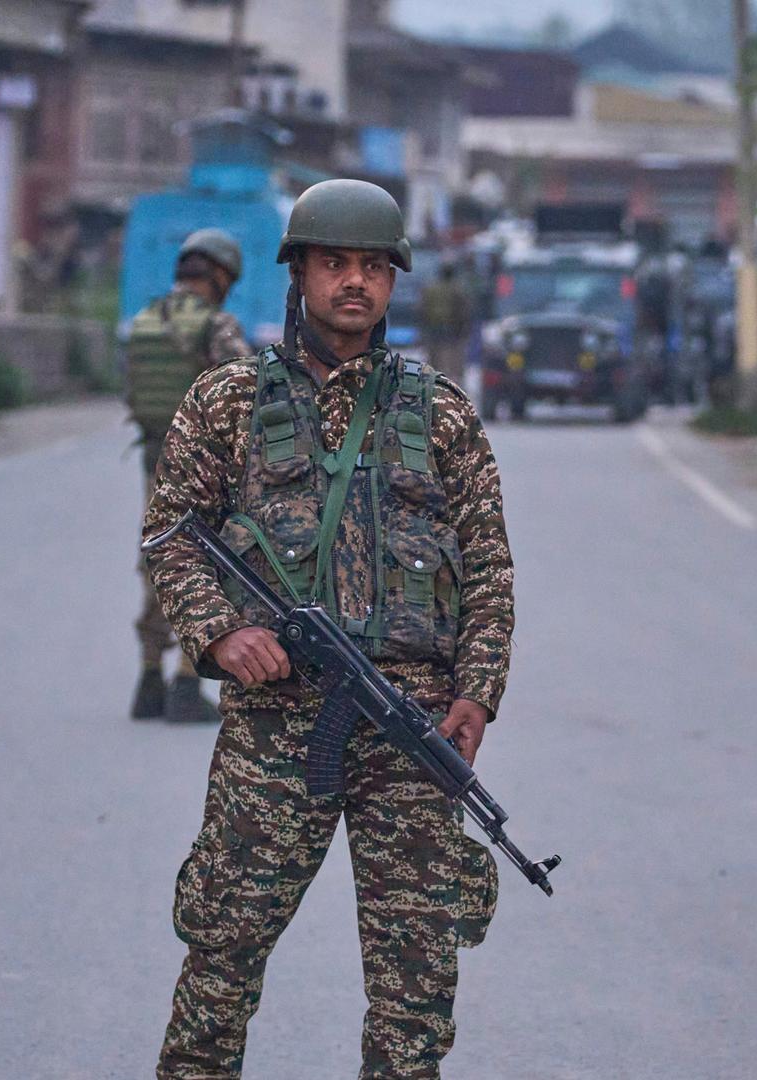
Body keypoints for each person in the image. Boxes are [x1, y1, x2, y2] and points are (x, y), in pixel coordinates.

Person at [142, 179, 514, 1078]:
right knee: (223, 952)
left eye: (373, 268)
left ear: (393, 282)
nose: (354, 283)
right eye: (335, 264)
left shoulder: (445, 414)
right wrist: (221, 634)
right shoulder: (226, 404)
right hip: (276, 725)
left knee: (416, 981)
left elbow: (491, 568)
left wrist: (477, 693)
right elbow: (170, 537)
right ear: (300, 273)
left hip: (411, 725)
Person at [125, 228, 252, 722]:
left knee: (158, 557)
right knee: (206, 562)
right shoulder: (216, 324)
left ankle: (148, 676)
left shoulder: (147, 319)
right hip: (203, 464)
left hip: (153, 455)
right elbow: (244, 390)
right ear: (220, 277)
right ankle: (184, 680)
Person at [418, 263, 473, 385]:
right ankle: (450, 387)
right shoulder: (457, 289)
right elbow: (464, 311)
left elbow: (421, 309)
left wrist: (423, 327)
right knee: (452, 363)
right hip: (451, 330)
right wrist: (464, 328)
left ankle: (432, 385)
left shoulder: (430, 288)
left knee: (433, 360)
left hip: (433, 328)